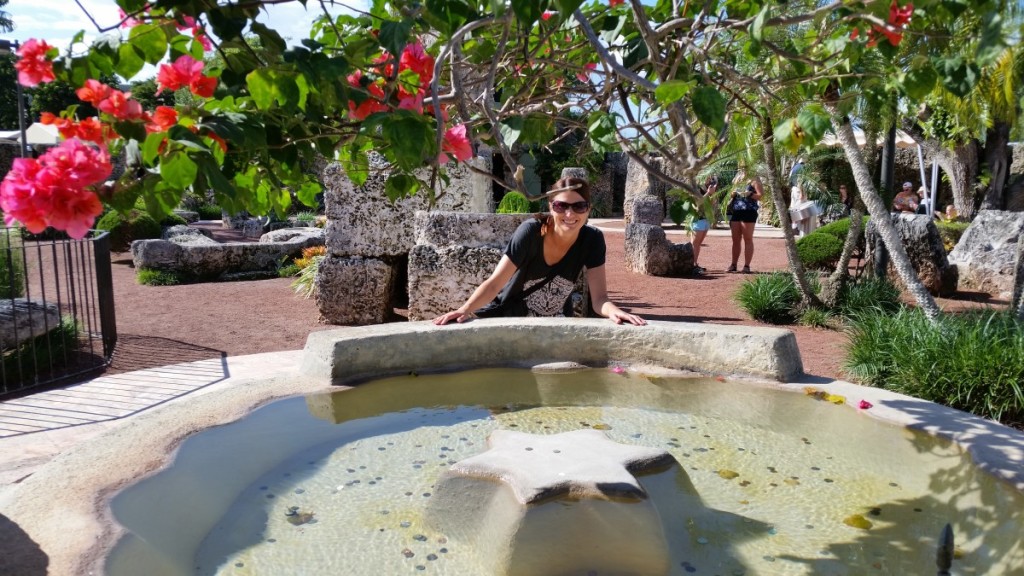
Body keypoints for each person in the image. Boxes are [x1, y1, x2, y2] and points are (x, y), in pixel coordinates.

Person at [433, 176, 646, 326]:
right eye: (562, 206)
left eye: (579, 206)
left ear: (588, 209)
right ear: (551, 206)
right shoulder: (531, 232)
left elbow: (600, 299)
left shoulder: (593, 239)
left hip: (556, 323)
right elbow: (495, 284)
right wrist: (464, 309)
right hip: (512, 320)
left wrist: (615, 312)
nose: (570, 214)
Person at [727, 171, 763, 273]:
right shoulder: (737, 177)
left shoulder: (754, 179)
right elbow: (731, 194)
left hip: (749, 211)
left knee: (747, 239)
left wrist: (750, 194)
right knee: (735, 239)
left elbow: (760, 195)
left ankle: (746, 266)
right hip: (736, 211)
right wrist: (733, 194)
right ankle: (733, 264)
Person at [691, 176, 716, 275]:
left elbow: (712, 203)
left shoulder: (708, 188)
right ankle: (692, 265)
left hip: (706, 219)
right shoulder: (696, 188)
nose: (710, 180)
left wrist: (713, 194)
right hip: (698, 219)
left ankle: (695, 263)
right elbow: (697, 203)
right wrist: (708, 193)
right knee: (695, 244)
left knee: (698, 243)